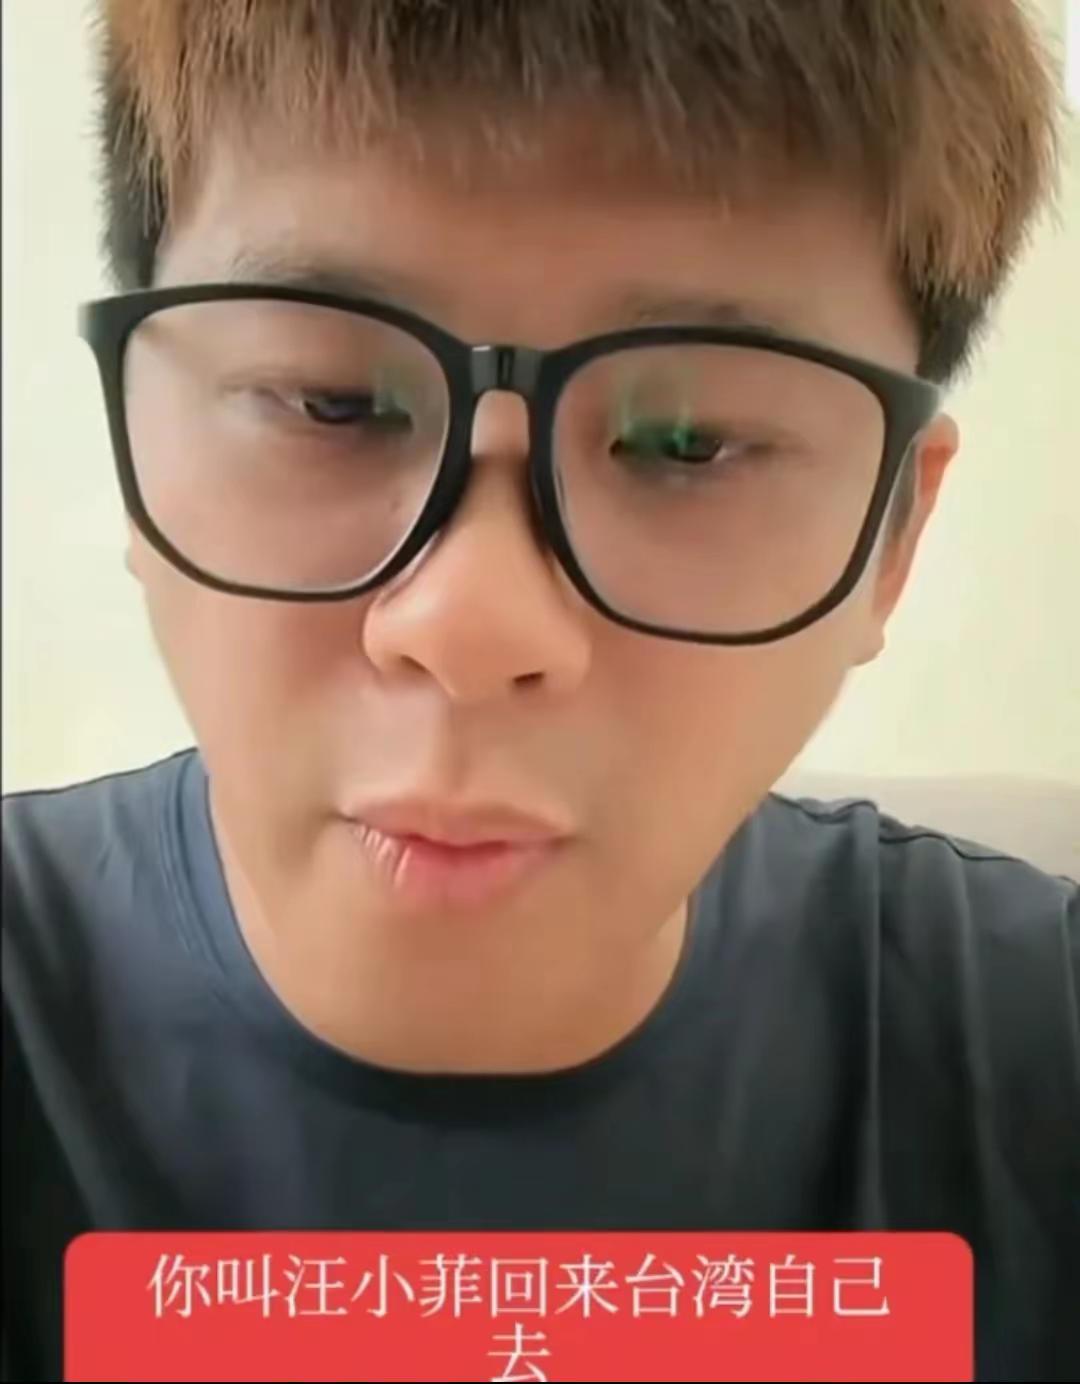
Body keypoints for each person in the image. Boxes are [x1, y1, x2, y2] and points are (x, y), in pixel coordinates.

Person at [3, 1, 1078, 1380]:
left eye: (686, 442)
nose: (471, 624)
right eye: (332, 403)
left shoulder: (1039, 1045)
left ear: (892, 543)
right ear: (132, 449)